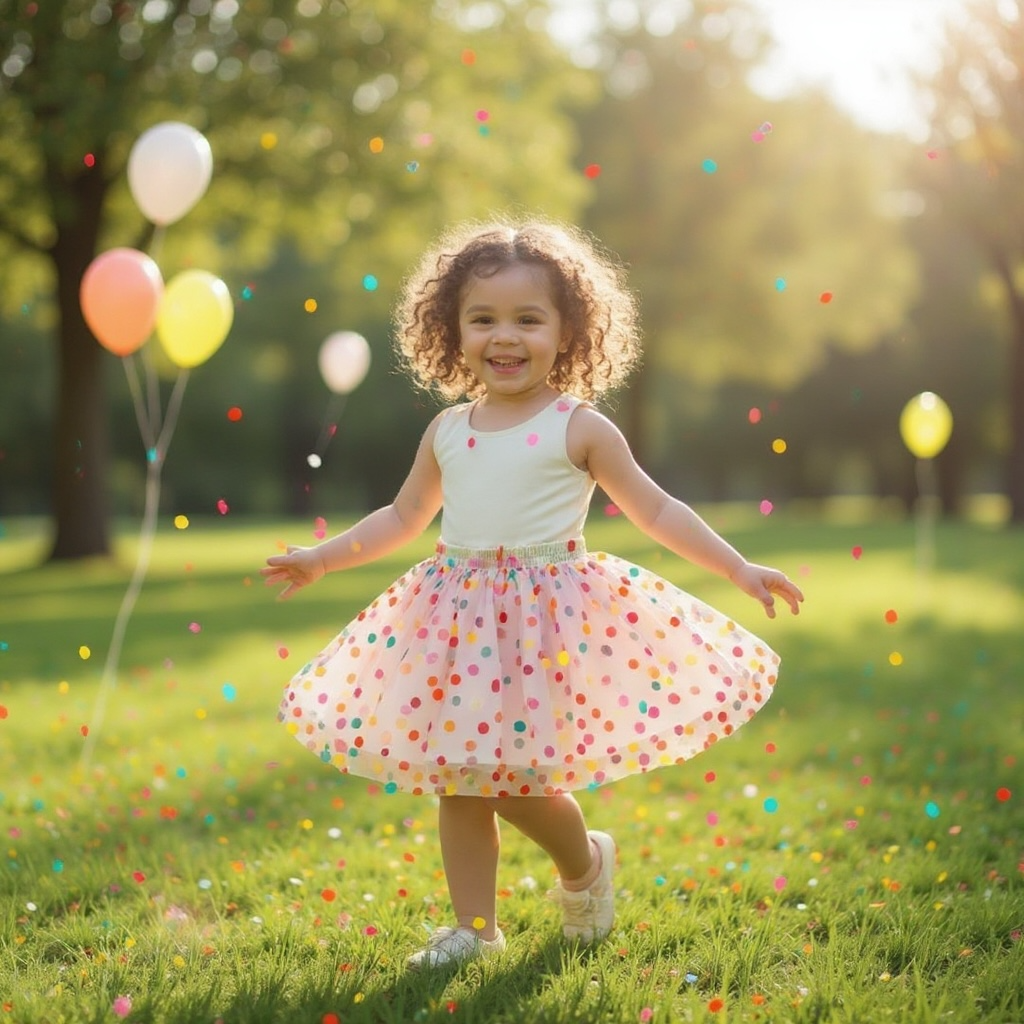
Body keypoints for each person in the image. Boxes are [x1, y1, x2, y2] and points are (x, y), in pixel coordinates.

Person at [262, 219, 804, 970]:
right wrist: (323, 559)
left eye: (528, 319)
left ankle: (585, 862)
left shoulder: (578, 428)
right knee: (458, 779)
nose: (504, 337)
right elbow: (403, 516)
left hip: (540, 626)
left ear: (566, 330)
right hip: (455, 622)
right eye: (483, 319)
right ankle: (474, 929)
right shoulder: (449, 430)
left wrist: (738, 568)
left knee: (519, 783)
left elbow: (656, 510)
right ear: (453, 331)